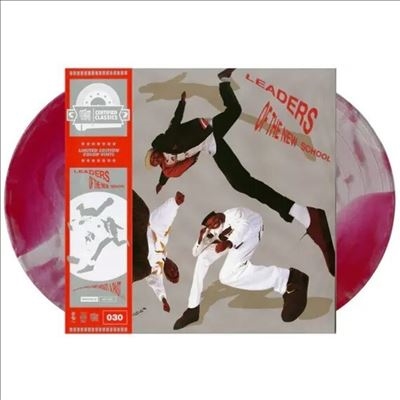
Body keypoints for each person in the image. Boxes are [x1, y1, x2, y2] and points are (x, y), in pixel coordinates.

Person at [146, 69, 335, 276]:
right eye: (154, 164)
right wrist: (161, 182)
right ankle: (224, 80)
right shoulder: (168, 166)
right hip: (210, 142)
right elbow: (167, 172)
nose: (156, 161)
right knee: (235, 113)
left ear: (154, 151)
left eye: (154, 157)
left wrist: (182, 103)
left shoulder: (166, 142)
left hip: (208, 130)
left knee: (241, 181)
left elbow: (175, 122)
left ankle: (301, 213)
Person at [173, 207, 309, 330]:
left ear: (217, 214)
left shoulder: (233, 213)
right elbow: (195, 253)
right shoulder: (213, 230)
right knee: (202, 259)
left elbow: (244, 225)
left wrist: (228, 243)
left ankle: (289, 279)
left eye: (213, 220)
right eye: (209, 225)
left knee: (226, 276)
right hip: (230, 242)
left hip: (252, 231)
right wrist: (200, 238)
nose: (212, 224)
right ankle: (193, 308)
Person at [145, 191, 184, 312]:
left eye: (171, 273)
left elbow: (157, 284)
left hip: (132, 241)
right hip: (142, 224)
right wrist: (174, 204)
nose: (173, 269)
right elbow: (164, 222)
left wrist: (163, 299)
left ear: (165, 274)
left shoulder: (156, 268)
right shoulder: (164, 241)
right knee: (159, 228)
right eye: (176, 269)